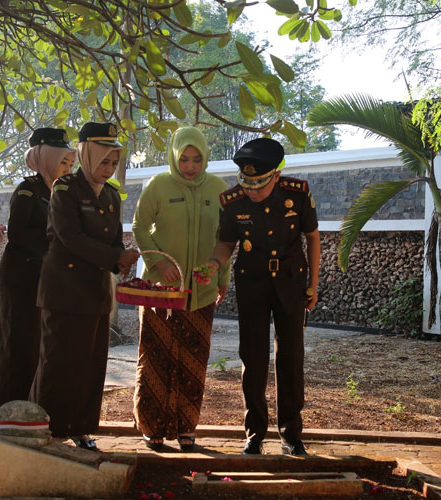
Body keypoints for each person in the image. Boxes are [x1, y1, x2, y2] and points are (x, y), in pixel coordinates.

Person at [201, 137, 320, 456]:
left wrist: (314, 283)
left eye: (259, 185)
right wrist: (214, 263)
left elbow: (312, 236)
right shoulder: (232, 201)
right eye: (247, 184)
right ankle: (254, 433)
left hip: (290, 283)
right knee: (252, 359)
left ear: (276, 177)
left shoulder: (297, 193)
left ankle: (292, 435)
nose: (252, 192)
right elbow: (226, 243)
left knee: (291, 358)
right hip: (252, 283)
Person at [30, 122, 139, 451]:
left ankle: (80, 427)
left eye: (114, 163)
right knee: (58, 363)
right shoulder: (64, 188)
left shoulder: (110, 195)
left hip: (95, 291)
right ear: (86, 155)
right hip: (64, 289)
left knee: (90, 365)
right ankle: (46, 428)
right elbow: (71, 237)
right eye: (104, 161)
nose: (108, 169)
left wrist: (122, 261)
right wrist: (115, 255)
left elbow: (114, 240)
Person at [132, 126, 230, 452]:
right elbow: (139, 227)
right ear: (175, 156)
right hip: (160, 291)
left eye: (197, 159)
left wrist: (222, 276)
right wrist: (159, 264)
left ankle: (186, 427)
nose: (190, 166)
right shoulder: (158, 185)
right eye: (184, 158)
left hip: (200, 293)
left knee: (193, 360)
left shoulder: (218, 189)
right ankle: (152, 427)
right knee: (156, 358)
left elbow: (225, 238)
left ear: (205, 158)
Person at [0, 128, 76, 409]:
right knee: (18, 339)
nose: (68, 169)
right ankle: (8, 402)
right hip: (21, 277)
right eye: (63, 163)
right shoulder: (28, 190)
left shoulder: (61, 192)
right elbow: (19, 233)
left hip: (44, 275)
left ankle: (31, 400)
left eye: (71, 164)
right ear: (46, 160)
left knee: (38, 340)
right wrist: (54, 247)